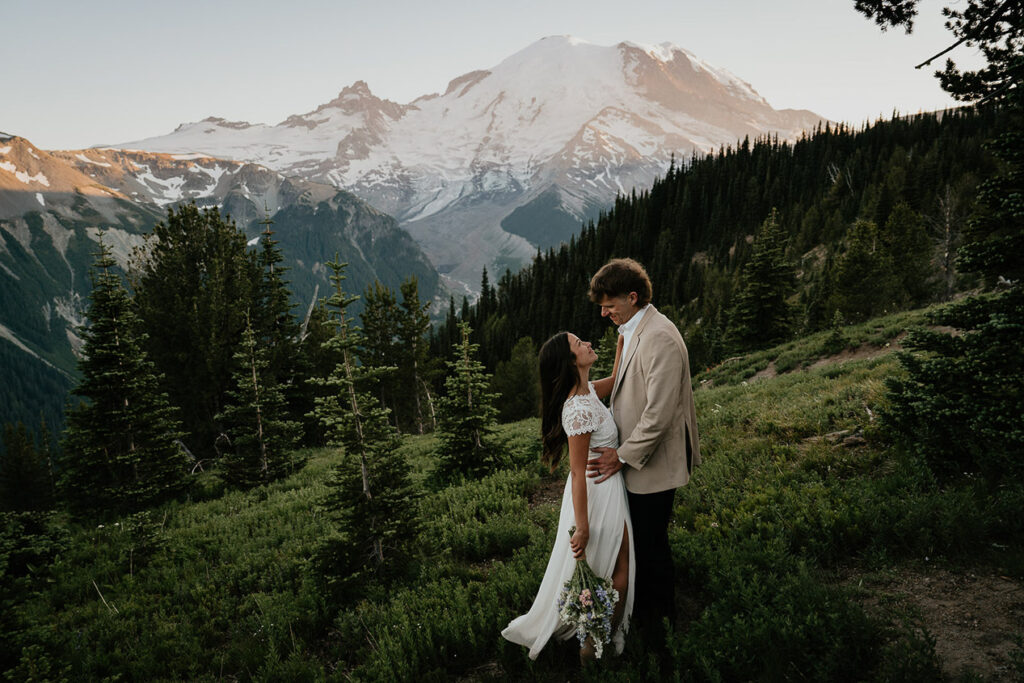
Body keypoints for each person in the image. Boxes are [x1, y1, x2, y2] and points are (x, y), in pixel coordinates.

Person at [585, 257, 701, 640]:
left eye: (609, 305)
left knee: (651, 547)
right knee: (641, 544)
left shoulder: (660, 337)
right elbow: (622, 382)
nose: (604, 313)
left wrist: (620, 456)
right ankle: (647, 613)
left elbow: (660, 413)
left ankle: (662, 625)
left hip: (654, 464)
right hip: (639, 461)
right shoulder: (634, 329)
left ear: (632, 297)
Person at [502, 331, 634, 661]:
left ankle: (603, 638)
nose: (588, 344)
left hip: (608, 489)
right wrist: (583, 527)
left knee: (617, 565)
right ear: (572, 362)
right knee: (613, 567)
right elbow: (576, 473)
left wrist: (624, 341)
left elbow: (617, 379)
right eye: (580, 344)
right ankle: (594, 648)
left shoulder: (588, 391)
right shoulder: (577, 410)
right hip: (595, 494)